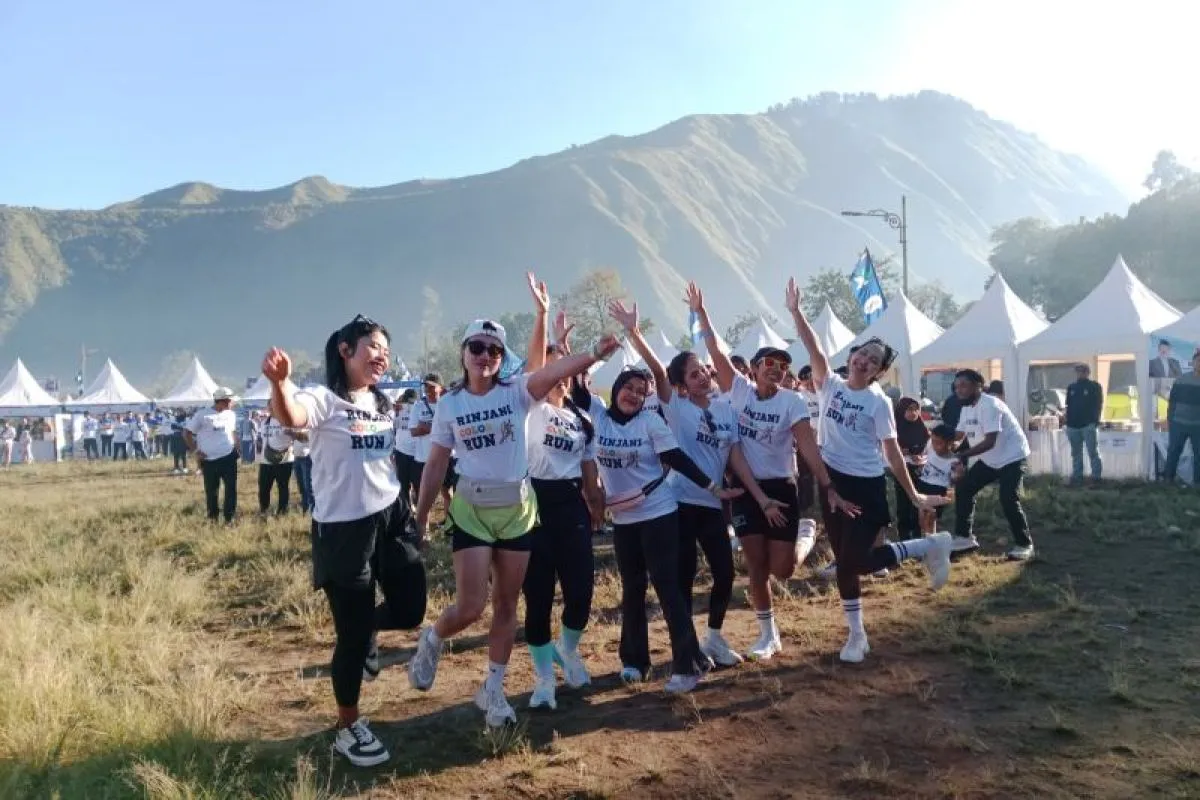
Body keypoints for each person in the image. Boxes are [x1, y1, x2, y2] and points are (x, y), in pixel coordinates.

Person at [407, 285, 622, 725]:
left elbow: (551, 369)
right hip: (472, 509)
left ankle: (494, 690)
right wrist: (422, 516)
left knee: (507, 606)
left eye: (494, 350)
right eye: (477, 347)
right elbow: (435, 465)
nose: (485, 356)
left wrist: (594, 355)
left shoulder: (517, 392)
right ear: (463, 352)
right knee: (471, 606)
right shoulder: (450, 404)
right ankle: (433, 637)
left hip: (518, 511)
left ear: (502, 358)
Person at [263, 314, 428, 768]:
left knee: (411, 609)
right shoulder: (324, 398)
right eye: (373, 347)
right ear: (345, 350)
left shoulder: (381, 401)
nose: (382, 357)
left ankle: (369, 626)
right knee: (350, 638)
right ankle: (347, 726)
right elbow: (291, 415)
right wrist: (279, 383)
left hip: (392, 516)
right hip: (344, 531)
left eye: (386, 351)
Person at [788, 277, 952, 664]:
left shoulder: (878, 403)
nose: (865, 361)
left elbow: (891, 452)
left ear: (879, 372)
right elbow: (813, 346)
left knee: (856, 562)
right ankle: (856, 635)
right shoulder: (829, 384)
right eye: (863, 353)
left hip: (864, 487)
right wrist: (796, 312)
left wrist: (914, 495)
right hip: (833, 483)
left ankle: (929, 545)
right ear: (853, 355)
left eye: (874, 361)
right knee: (844, 563)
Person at [688, 282, 849, 661]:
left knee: (783, 570)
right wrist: (701, 312)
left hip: (781, 487)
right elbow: (716, 351)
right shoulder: (739, 390)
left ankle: (804, 536)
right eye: (770, 365)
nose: (777, 370)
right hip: (746, 489)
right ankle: (767, 634)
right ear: (756, 368)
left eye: (782, 366)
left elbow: (806, 445)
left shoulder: (792, 402)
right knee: (755, 565)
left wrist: (827, 484)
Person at [573, 362, 743, 692]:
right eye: (629, 388)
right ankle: (634, 661)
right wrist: (587, 355)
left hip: (658, 514)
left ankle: (688, 665)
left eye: (641, 392)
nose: (634, 395)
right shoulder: (599, 416)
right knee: (632, 588)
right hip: (623, 519)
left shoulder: (650, 422)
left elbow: (677, 458)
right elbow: (576, 389)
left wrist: (713, 488)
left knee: (667, 587)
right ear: (616, 389)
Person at [520, 305, 605, 711]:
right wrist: (544, 320)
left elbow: (589, 471)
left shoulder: (583, 418)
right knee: (538, 597)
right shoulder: (530, 409)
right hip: (533, 506)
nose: (560, 375)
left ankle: (568, 650)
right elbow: (534, 368)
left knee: (581, 590)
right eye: (553, 369)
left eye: (565, 370)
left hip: (571, 507)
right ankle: (542, 678)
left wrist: (596, 503)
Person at [950, 369, 1034, 560]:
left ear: (978, 386)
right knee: (964, 488)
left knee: (1008, 498)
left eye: (963, 385)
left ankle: (1024, 544)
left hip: (1012, 457)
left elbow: (990, 442)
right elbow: (958, 436)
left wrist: (961, 454)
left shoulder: (990, 405)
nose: (959, 390)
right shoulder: (966, 408)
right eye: (956, 387)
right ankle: (964, 538)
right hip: (990, 459)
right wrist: (943, 447)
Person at [185, 387, 240, 524]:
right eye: (230, 400)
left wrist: (237, 448)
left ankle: (229, 518)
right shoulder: (202, 415)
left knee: (231, 489)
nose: (232, 403)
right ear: (222, 401)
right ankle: (213, 519)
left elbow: (232, 432)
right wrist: (195, 451)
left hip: (229, 457)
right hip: (209, 460)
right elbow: (187, 433)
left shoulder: (231, 415)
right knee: (211, 491)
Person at [892, 397, 932, 541]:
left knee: (918, 502)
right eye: (909, 409)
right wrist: (904, 452)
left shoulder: (921, 427)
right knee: (903, 503)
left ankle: (917, 534)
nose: (913, 413)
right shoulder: (894, 429)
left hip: (920, 470)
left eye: (916, 409)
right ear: (902, 410)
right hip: (902, 470)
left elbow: (928, 446)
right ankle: (904, 535)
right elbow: (890, 449)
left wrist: (920, 455)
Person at [1062, 364, 1103, 486]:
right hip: (1073, 425)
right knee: (1076, 453)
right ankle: (1077, 477)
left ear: (1087, 373)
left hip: (1088, 424)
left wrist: (1095, 421)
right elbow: (1068, 405)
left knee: (1093, 452)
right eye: (1078, 371)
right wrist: (1067, 420)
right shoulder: (1071, 387)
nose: (1080, 374)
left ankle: (1096, 477)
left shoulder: (1094, 386)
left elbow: (1099, 404)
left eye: (1082, 371)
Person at [1164, 349, 1200, 485]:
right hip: (1178, 423)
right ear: (1193, 363)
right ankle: (1168, 480)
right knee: (1173, 452)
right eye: (1198, 361)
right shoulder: (1181, 379)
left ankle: (1197, 484)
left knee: (1199, 455)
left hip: (1198, 425)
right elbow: (1172, 401)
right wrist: (1170, 419)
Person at [257, 411, 295, 515]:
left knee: (283, 487)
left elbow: (296, 437)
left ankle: (282, 511)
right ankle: (264, 510)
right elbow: (261, 439)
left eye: (274, 405)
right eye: (270, 406)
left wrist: (292, 433)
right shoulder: (265, 421)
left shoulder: (287, 420)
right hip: (266, 461)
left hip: (284, 460)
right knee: (263, 488)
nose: (272, 408)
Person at [392, 389, 418, 506]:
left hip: (417, 453)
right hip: (402, 451)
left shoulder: (420, 408)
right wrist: (395, 411)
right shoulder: (398, 409)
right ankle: (408, 509)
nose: (409, 404)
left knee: (417, 484)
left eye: (411, 401)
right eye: (407, 401)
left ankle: (416, 505)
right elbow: (393, 425)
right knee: (403, 484)